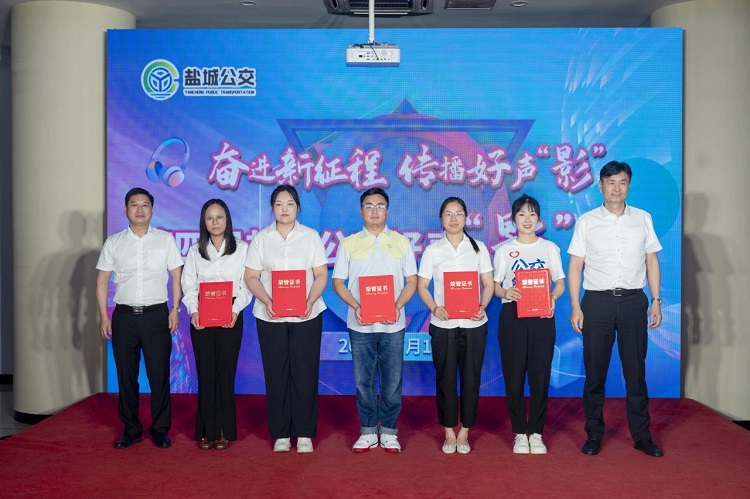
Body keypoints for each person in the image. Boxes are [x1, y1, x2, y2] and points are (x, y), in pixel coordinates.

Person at [567, 160, 664, 458]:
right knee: (595, 373)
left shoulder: (643, 218)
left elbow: (651, 261)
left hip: (634, 301)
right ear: (601, 186)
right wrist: (575, 306)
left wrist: (656, 300)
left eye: (622, 182)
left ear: (629, 185)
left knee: (635, 372)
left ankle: (642, 436)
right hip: (597, 303)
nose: (616, 188)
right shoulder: (586, 222)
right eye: (611, 183)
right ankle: (594, 434)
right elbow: (575, 266)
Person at [95, 187, 183, 449]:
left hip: (157, 316)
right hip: (124, 317)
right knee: (126, 376)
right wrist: (103, 316)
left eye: (145, 205)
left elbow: (177, 275)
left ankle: (160, 429)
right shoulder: (114, 242)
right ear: (126, 209)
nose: (140, 209)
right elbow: (102, 281)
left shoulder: (165, 240)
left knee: (159, 376)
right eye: (134, 204)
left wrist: (175, 309)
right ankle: (131, 429)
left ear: (152, 210)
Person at [332, 187, 417, 453]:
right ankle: (368, 430)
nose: (374, 211)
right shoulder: (348, 243)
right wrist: (356, 306)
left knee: (392, 380)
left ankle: (389, 430)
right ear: (361, 211)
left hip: (394, 323)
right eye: (369, 206)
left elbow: (412, 281)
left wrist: (398, 306)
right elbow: (338, 282)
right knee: (363, 380)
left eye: (380, 206)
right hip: (360, 323)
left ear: (387, 211)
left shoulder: (402, 242)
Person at [244, 185, 328, 453]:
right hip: (270, 316)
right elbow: (251, 277)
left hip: (307, 314)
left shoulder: (310, 236)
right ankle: (281, 433)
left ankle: (304, 433)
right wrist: (267, 300)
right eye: (279, 204)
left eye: (290, 203)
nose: (284, 209)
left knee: (305, 373)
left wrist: (310, 300)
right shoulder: (261, 239)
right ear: (272, 208)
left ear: (298, 207)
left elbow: (321, 274)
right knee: (276, 373)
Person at [417, 197, 494, 455]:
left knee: (471, 379)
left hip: (474, 323)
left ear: (466, 217)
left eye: (458, 213)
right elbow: (422, 286)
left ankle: (465, 432)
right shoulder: (432, 251)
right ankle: (449, 432)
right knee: (446, 378)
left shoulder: (479, 248)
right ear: (441, 219)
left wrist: (482, 305)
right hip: (443, 324)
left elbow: (489, 284)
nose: (453, 219)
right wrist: (435, 308)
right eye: (448, 214)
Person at [494, 194, 565, 455]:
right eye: (522, 214)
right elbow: (494, 285)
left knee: (540, 376)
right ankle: (518, 433)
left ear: (539, 219)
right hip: (512, 316)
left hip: (542, 317)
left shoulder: (549, 249)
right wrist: (506, 292)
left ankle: (536, 433)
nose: (527, 219)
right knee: (513, 377)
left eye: (532, 214)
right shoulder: (504, 250)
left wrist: (552, 297)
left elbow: (560, 282)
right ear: (513, 219)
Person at [181, 199, 251, 450]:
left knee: (225, 372)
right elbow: (189, 285)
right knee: (206, 372)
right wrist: (194, 311)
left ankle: (222, 430)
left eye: (219, 217)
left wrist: (234, 310)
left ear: (227, 219)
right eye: (209, 218)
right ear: (204, 222)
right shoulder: (195, 251)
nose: (215, 222)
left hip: (231, 314)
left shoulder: (242, 249)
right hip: (202, 315)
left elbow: (246, 285)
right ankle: (206, 430)